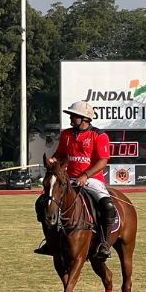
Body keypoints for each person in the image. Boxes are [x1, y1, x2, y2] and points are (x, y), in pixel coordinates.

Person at [34, 101, 116, 259]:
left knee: (107, 206)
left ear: (84, 118)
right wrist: (53, 160)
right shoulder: (66, 134)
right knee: (42, 202)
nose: (71, 118)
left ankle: (104, 244)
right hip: (68, 180)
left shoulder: (99, 135)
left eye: (74, 116)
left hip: (92, 180)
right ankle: (50, 241)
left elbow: (102, 161)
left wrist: (85, 176)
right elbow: (60, 154)